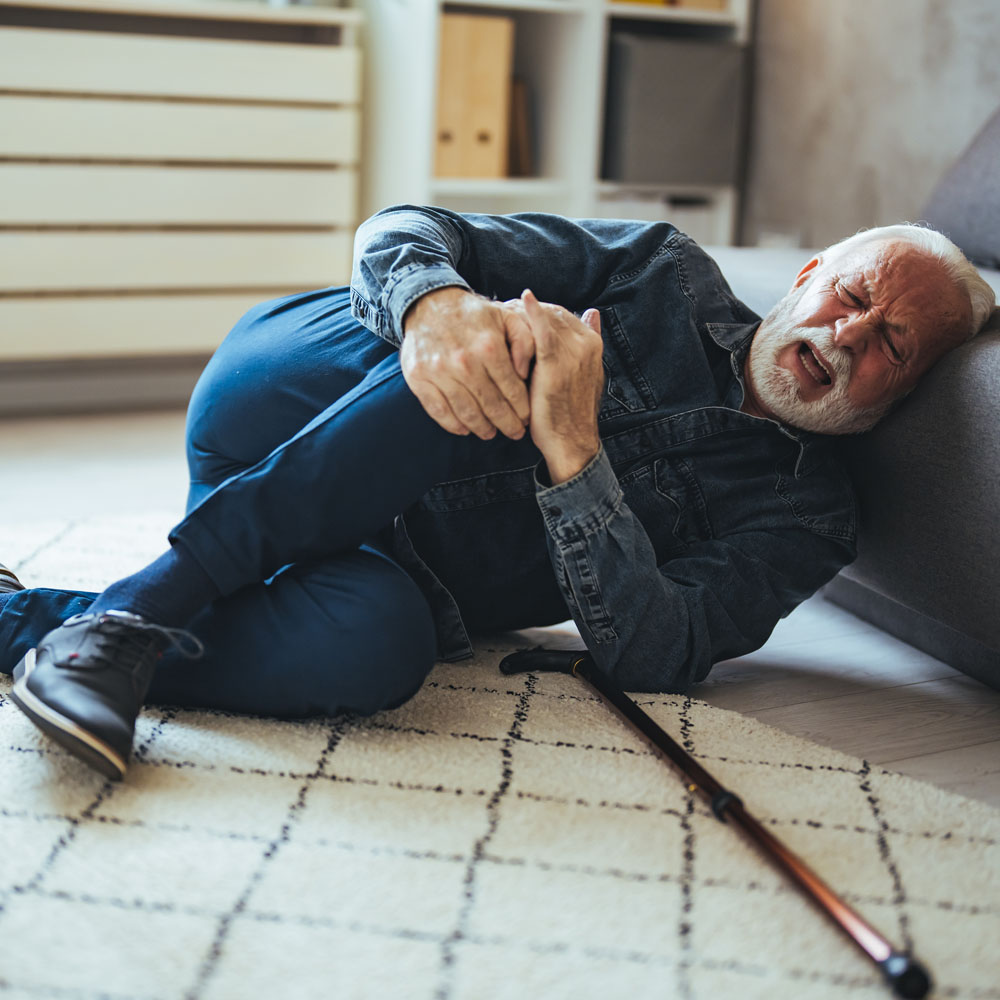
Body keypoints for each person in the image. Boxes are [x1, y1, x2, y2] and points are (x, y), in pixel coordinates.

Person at [1, 207, 994, 781]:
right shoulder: (660, 269)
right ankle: (137, 611)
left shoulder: (806, 520)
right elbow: (406, 227)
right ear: (812, 272)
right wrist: (438, 310)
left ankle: (41, 625)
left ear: (904, 395)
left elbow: (658, 652)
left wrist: (572, 447)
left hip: (376, 569)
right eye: (853, 297)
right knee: (500, 353)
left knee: (383, 653)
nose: (847, 336)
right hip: (293, 397)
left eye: (890, 347)